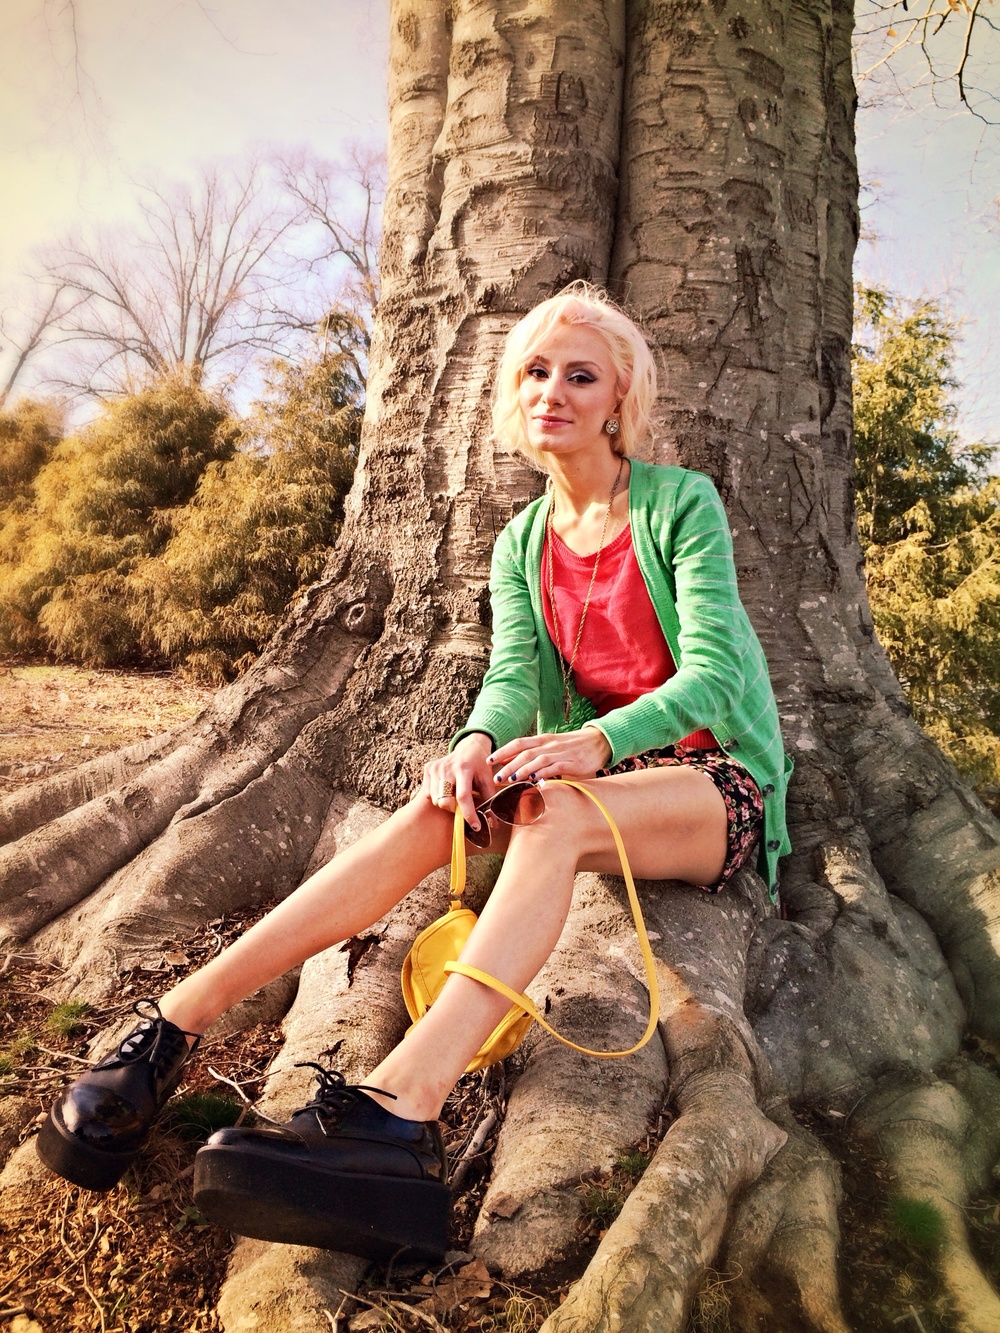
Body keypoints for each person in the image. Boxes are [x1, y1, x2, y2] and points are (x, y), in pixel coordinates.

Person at [37, 283, 791, 1260]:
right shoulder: (523, 540)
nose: (551, 389)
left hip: (709, 778)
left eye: (580, 374)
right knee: (427, 813)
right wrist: (477, 744)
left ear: (619, 400)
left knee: (554, 815)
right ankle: (171, 1030)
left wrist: (597, 743)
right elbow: (515, 674)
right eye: (533, 370)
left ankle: (400, 1113)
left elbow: (714, 673)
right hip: (584, 771)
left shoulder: (677, 504)